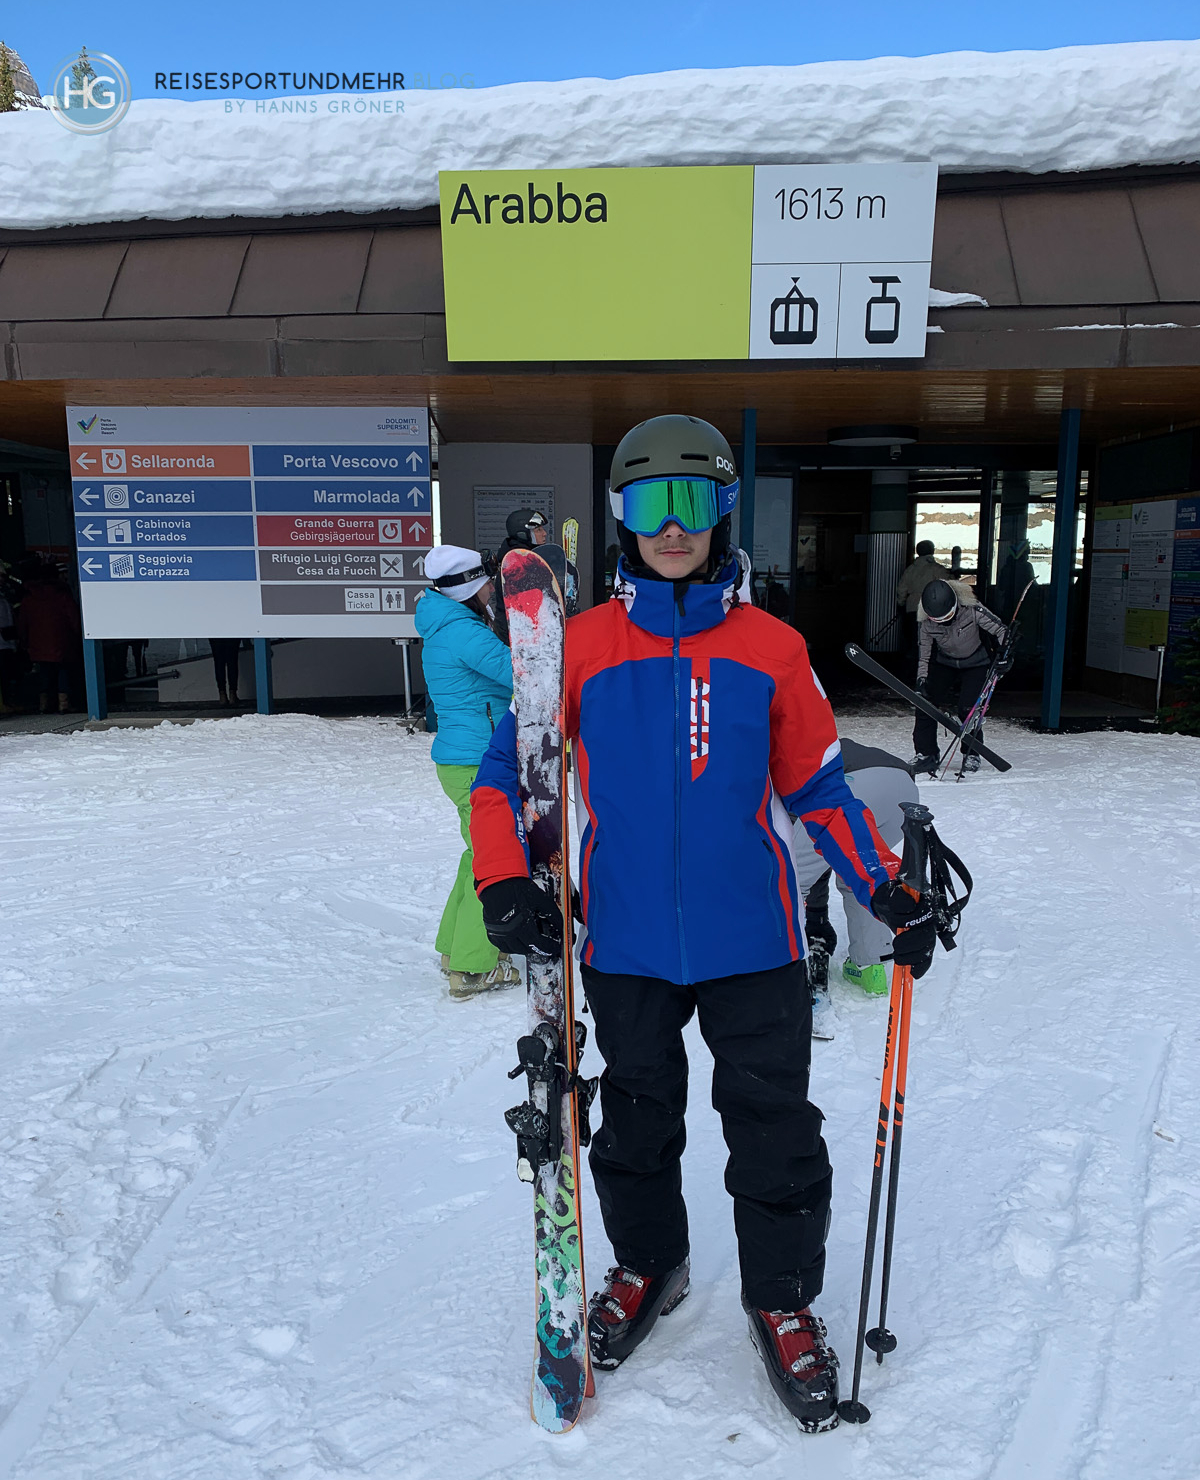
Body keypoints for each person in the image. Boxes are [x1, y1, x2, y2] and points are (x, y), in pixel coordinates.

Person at [468, 415, 936, 1433]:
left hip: (753, 940)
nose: (669, 528)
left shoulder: (771, 648)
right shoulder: (577, 645)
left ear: (722, 511)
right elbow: (506, 775)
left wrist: (885, 884)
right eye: (648, 506)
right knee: (634, 1123)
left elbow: (821, 788)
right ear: (622, 517)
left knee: (773, 1130)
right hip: (627, 939)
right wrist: (506, 880)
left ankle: (781, 1296)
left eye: (691, 504)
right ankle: (650, 1263)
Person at [414, 544, 522, 1001]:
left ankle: (452, 948)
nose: (493, 587)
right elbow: (522, 674)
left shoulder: (447, 624)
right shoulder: (464, 632)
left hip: (463, 759)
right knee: (491, 858)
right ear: (470, 588)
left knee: (476, 854)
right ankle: (472, 969)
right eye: (486, 581)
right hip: (478, 761)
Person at [792, 739, 920, 1029]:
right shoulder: (830, 741)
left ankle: (785, 970)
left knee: (792, 880)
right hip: (904, 791)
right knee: (862, 873)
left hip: (853, 788)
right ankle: (869, 964)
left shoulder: (788, 752)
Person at [913, 578, 1009, 775]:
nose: (944, 622)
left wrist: (1004, 655)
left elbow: (1002, 631)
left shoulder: (972, 609)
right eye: (938, 620)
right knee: (924, 703)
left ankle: (971, 753)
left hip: (976, 662)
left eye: (947, 617)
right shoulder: (925, 623)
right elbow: (924, 654)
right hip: (945, 663)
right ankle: (926, 753)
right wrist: (922, 680)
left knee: (969, 708)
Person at [491, 508, 579, 641]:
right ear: (523, 533)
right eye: (538, 530)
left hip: (517, 636)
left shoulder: (523, 558)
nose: (544, 534)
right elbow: (533, 606)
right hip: (517, 641)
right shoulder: (516, 564)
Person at [16, 559, 80, 714]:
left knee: (45, 672)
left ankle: (44, 704)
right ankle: (63, 704)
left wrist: (23, 641)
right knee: (63, 672)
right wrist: (79, 636)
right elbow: (74, 619)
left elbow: (22, 622)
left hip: (38, 643)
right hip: (63, 641)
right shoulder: (63, 596)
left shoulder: (28, 599)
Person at [895, 539, 950, 661]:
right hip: (932, 609)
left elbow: (902, 589)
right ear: (932, 551)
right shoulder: (937, 569)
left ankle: (913, 667)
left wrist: (901, 603)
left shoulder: (910, 569)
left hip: (912, 608)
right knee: (933, 641)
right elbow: (947, 586)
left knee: (914, 640)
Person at [209, 639, 242, 706]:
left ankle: (222, 695)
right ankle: (232, 694)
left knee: (219, 662)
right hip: (231, 635)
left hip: (216, 634)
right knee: (232, 662)